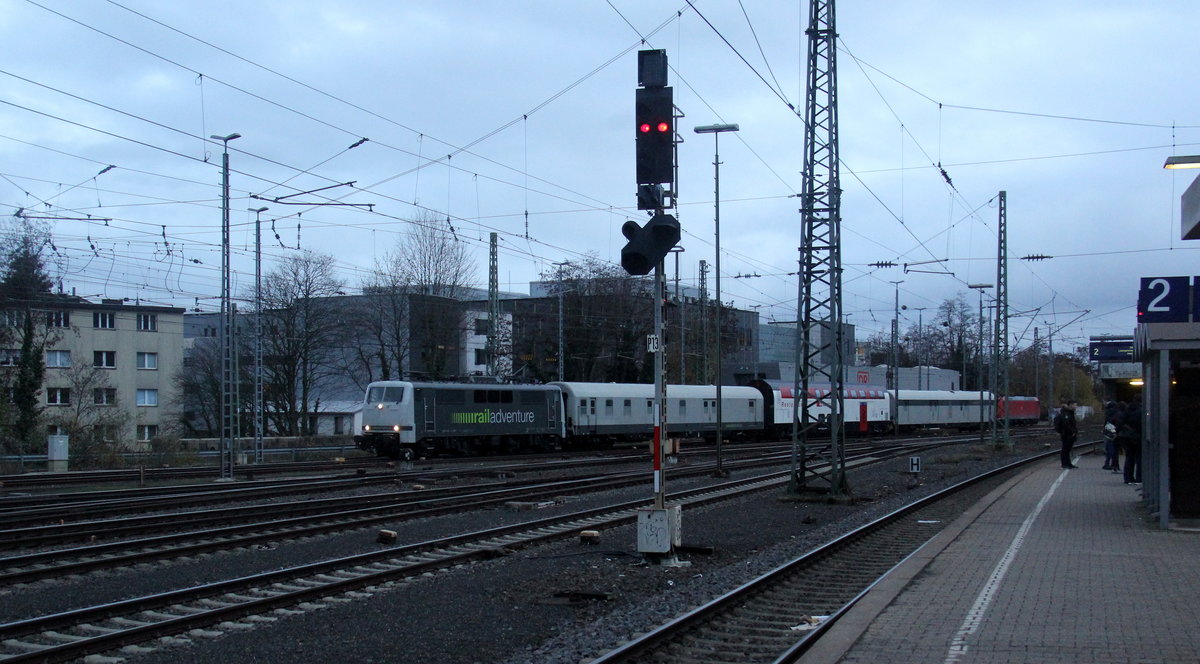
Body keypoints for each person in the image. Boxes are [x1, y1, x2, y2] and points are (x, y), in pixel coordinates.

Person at [1053, 399, 1078, 469]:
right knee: (1065, 449)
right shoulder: (1066, 413)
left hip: (1070, 434)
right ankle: (1064, 464)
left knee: (1068, 449)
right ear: (1071, 405)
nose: (1076, 406)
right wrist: (1072, 431)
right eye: (1075, 405)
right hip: (1066, 434)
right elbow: (1066, 424)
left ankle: (1068, 463)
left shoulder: (1070, 412)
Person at [1122, 399, 1142, 485]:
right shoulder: (1140, 412)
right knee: (1139, 458)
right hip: (1138, 437)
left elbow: (1121, 423)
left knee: (1129, 458)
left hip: (1127, 438)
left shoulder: (1126, 411)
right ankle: (1139, 478)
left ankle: (1127, 478)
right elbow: (1141, 425)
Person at [1103, 401, 1121, 472]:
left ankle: (1107, 463)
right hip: (1114, 433)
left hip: (1108, 432)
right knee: (1113, 449)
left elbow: (1106, 422)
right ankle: (1114, 464)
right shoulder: (1117, 413)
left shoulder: (1107, 413)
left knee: (1108, 448)